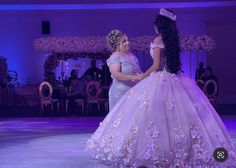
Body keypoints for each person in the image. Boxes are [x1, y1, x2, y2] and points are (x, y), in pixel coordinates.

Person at [86, 9, 236, 167]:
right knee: (178, 116)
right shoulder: (173, 40)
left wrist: (143, 77)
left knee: (155, 115)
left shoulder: (158, 40)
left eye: (156, 25)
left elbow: (157, 66)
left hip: (161, 79)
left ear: (160, 26)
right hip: (176, 78)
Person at [105, 29, 142, 110]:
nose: (128, 42)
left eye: (128, 40)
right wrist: (134, 77)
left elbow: (138, 72)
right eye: (124, 41)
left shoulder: (131, 56)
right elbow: (116, 74)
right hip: (120, 93)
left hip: (133, 92)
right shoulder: (115, 57)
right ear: (117, 45)